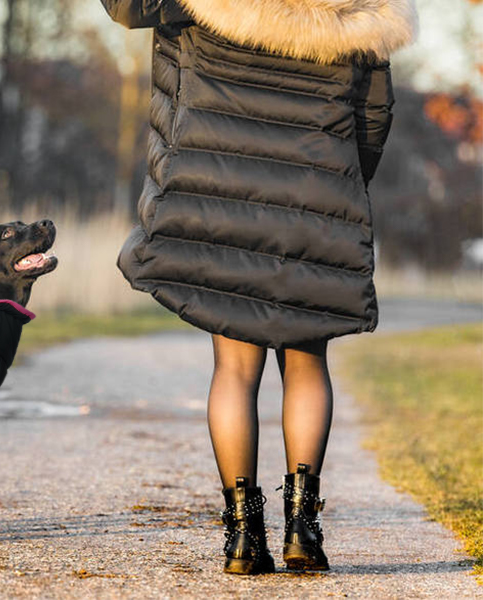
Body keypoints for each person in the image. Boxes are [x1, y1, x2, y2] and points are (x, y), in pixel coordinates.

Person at [99, 0, 416, 575]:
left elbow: (126, 8)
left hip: (218, 201)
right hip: (315, 197)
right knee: (306, 365)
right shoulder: (357, 11)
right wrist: (339, 183)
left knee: (235, 371)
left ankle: (243, 536)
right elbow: (374, 113)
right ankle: (303, 530)